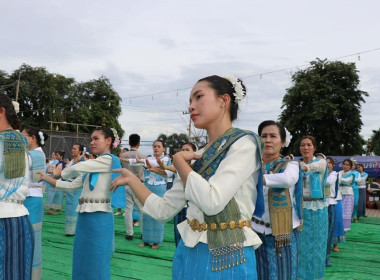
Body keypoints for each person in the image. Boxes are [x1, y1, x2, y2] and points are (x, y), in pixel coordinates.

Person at [110, 75, 264, 279]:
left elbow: (212, 201)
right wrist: (132, 180)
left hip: (227, 255)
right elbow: (163, 210)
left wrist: (180, 163)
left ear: (224, 100)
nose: (191, 106)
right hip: (189, 251)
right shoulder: (197, 154)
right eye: (190, 101)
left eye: (199, 97)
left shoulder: (244, 143)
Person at [38, 126, 123, 280]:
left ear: (109, 141)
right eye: (91, 139)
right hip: (84, 217)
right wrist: (48, 178)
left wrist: (58, 173)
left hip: (100, 217)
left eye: (96, 138)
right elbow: (71, 185)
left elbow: (81, 167)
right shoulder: (94, 165)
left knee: (97, 261)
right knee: (83, 258)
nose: (92, 142)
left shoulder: (109, 160)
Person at [251, 120, 302, 280]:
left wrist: (255, 179)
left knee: (283, 275)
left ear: (283, 141)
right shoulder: (252, 165)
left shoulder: (291, 165)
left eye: (273, 136)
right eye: (263, 136)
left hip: (281, 233)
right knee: (256, 274)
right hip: (253, 231)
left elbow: (288, 179)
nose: (267, 140)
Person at [0, 94, 34, 279]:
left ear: (1, 111)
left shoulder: (8, 140)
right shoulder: (18, 140)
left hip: (5, 221)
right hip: (14, 218)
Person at [297, 135, 328, 280]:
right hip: (299, 209)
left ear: (314, 148)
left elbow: (308, 168)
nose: (305, 148)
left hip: (317, 209)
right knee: (301, 245)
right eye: (302, 145)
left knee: (316, 246)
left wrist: (294, 168)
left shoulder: (321, 163)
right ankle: (300, 275)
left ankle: (315, 276)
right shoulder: (296, 164)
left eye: (309, 145)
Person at [22, 126, 48, 280]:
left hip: (31, 198)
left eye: (24, 136)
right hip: (31, 198)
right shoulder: (35, 154)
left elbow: (36, 179)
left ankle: (30, 274)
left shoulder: (35, 154)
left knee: (29, 236)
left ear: (32, 138)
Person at [137, 139, 173, 249]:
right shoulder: (148, 159)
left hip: (160, 188)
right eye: (154, 146)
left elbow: (169, 174)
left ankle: (156, 241)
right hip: (148, 186)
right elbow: (135, 161)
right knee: (147, 213)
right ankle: (146, 240)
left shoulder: (167, 160)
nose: (156, 148)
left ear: (163, 148)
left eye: (158, 146)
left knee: (157, 214)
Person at [118, 133, 146, 240]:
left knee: (128, 209)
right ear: (139, 143)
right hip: (138, 183)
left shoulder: (124, 156)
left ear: (129, 143)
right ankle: (144, 233)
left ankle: (129, 233)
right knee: (142, 209)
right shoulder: (143, 155)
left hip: (126, 184)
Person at [63, 144, 86, 236]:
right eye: (72, 148)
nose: (72, 150)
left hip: (76, 186)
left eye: (74, 149)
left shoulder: (82, 159)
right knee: (69, 207)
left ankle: (75, 229)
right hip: (69, 185)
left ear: (80, 151)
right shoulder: (72, 160)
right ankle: (69, 229)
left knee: (74, 206)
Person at [324, 156, 338, 267]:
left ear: (333, 165)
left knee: (328, 233)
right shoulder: (321, 174)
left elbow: (328, 182)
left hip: (330, 204)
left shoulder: (334, 174)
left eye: (330, 163)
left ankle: (327, 257)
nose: (328, 164)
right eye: (326, 163)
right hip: (320, 205)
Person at [44, 150, 66, 215]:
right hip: (54, 180)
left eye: (57, 155)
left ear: (61, 156)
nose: (56, 156)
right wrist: (50, 172)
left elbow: (63, 172)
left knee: (58, 196)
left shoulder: (63, 164)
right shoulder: (57, 163)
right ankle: (51, 209)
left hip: (59, 181)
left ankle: (58, 210)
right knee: (52, 195)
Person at [339, 159, 355, 232]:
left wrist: (339, 179)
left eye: (347, 165)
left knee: (346, 212)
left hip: (348, 194)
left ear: (351, 166)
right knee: (339, 211)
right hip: (339, 194)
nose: (345, 166)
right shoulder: (339, 172)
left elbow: (348, 181)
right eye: (344, 164)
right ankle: (339, 228)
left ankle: (345, 230)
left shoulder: (352, 174)